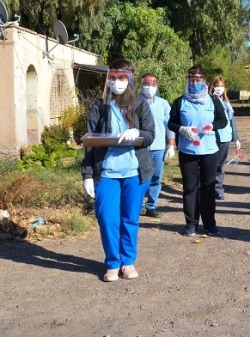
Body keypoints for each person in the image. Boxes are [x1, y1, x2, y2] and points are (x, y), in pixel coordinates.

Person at [81, 58, 155, 282]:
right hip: (106, 173)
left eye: (122, 77)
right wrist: (87, 175)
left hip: (134, 172)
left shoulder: (140, 105)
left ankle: (127, 261)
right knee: (106, 217)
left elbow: (150, 135)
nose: (116, 82)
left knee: (130, 217)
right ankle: (112, 262)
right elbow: (89, 141)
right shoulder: (100, 106)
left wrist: (138, 133)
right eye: (112, 78)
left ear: (130, 78)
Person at [168, 65, 228, 237]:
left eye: (198, 79)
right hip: (188, 151)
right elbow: (171, 123)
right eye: (191, 79)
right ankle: (191, 223)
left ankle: (209, 223)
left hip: (209, 150)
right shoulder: (180, 101)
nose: (194, 82)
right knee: (190, 187)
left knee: (209, 187)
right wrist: (181, 129)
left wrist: (213, 126)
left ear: (204, 81)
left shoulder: (214, 101)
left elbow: (223, 121)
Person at [139, 73, 175, 218]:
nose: (150, 87)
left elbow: (170, 125)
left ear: (157, 85)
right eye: (147, 83)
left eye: (153, 84)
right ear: (142, 85)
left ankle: (151, 206)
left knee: (156, 178)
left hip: (158, 148)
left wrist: (171, 144)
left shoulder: (163, 104)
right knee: (139, 177)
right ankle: (137, 205)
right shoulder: (135, 102)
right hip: (140, 147)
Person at [210, 76, 241, 200]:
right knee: (209, 164)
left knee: (220, 165)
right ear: (212, 87)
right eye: (217, 86)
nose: (220, 88)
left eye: (222, 86)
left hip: (225, 137)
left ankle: (218, 189)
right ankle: (206, 189)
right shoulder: (209, 100)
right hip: (213, 137)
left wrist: (236, 138)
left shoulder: (226, 102)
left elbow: (232, 121)